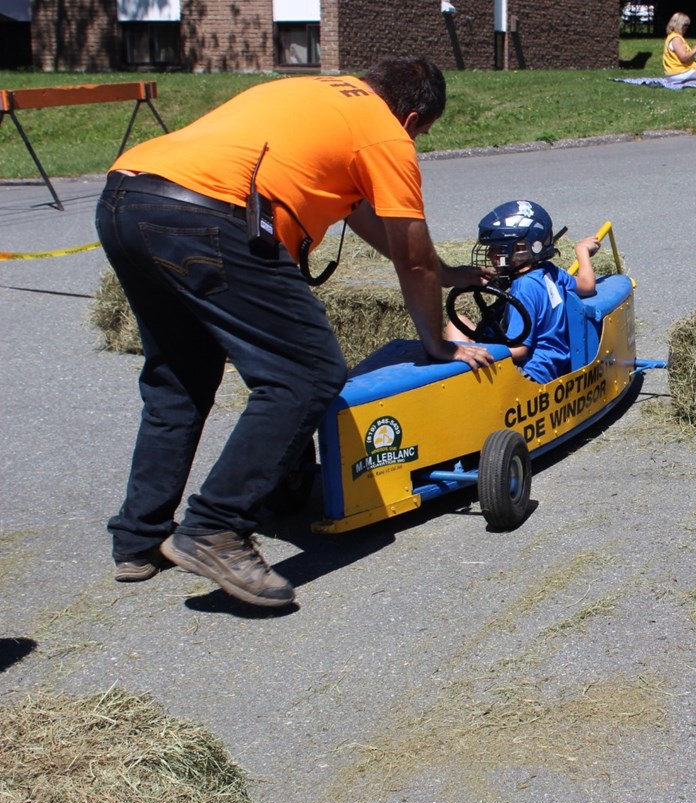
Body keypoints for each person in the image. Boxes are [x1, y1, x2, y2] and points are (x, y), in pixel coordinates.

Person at [96, 55, 494, 608]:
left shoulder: (316, 95)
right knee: (307, 372)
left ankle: (139, 539)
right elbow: (414, 263)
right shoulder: (386, 133)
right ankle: (214, 525)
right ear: (410, 118)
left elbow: (365, 218)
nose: (416, 142)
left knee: (180, 379)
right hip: (213, 214)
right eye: (422, 134)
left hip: (127, 197)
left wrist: (447, 273)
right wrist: (439, 341)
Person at [444, 200, 598, 385]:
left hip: (531, 373)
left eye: (496, 249)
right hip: (554, 360)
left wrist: (472, 350)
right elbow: (587, 285)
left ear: (519, 249)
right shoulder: (549, 270)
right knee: (457, 322)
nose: (489, 255)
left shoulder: (523, 289)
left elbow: (519, 350)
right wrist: (582, 251)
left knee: (456, 339)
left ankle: (463, 386)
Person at [662, 12, 696, 86]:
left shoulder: (672, 36)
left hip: (676, 72)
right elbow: (684, 58)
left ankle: (679, 82)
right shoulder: (676, 39)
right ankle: (679, 83)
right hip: (679, 72)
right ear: (679, 24)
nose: (687, 28)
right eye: (685, 25)